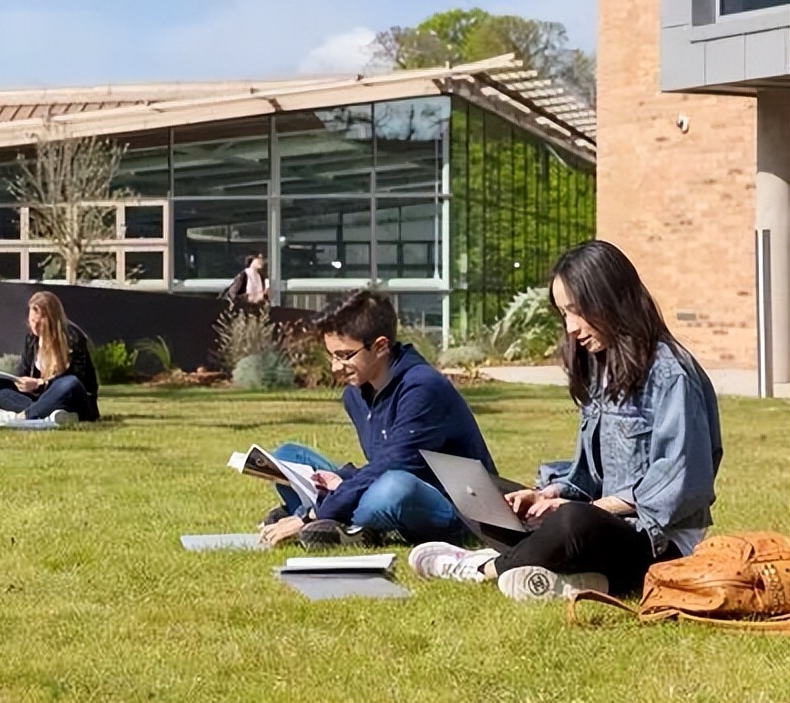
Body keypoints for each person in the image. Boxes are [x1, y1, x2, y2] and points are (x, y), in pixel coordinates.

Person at [409, 240, 723, 603]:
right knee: (483, 492)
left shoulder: (671, 374)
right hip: (605, 529)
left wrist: (584, 510)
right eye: (563, 314)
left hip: (659, 543)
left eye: (577, 311)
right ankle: (580, 577)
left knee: (573, 523)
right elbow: (592, 476)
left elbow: (679, 487)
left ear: (611, 299)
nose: (571, 327)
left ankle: (485, 568)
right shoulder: (602, 366)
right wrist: (549, 495)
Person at [258, 289, 497, 550]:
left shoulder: (423, 388)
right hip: (392, 476)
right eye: (332, 356)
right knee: (286, 457)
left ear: (381, 346)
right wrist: (344, 480)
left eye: (345, 355)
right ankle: (341, 523)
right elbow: (384, 461)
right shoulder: (355, 394)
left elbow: (398, 465)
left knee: (391, 490)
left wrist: (312, 514)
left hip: (458, 505)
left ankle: (323, 519)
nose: (335, 367)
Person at [0, 291, 99, 427]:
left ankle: (24, 416)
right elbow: (23, 371)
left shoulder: (72, 338)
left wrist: (40, 383)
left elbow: (81, 381)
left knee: (69, 383)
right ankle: (50, 414)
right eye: (32, 321)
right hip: (41, 398)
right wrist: (20, 382)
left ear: (51, 320)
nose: (34, 326)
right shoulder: (32, 339)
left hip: (73, 399)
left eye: (40, 322)